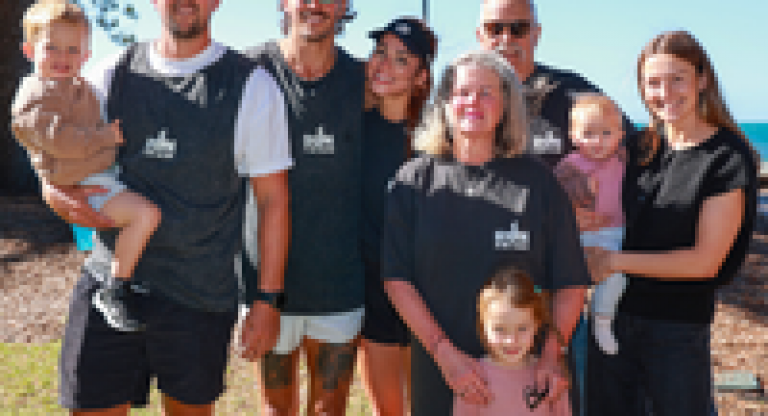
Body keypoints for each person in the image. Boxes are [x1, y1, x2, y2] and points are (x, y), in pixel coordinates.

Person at [40, 0, 293, 413]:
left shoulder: (252, 86)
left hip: (198, 297)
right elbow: (57, 144)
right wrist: (52, 190)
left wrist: (267, 300)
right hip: (110, 286)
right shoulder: (112, 73)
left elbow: (273, 199)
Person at [381, 50, 590, 416]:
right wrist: (444, 353)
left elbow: (570, 281)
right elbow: (397, 279)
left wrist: (551, 357)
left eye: (486, 92)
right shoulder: (413, 182)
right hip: (443, 370)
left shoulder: (538, 182)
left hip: (527, 374)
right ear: (445, 103)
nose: (473, 102)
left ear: (506, 105)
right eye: (462, 92)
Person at [585, 30, 759, 416]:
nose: (665, 92)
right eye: (653, 82)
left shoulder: (726, 158)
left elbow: (704, 262)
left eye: (677, 78)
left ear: (702, 80)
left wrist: (613, 262)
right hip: (610, 319)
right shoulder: (639, 147)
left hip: (675, 330)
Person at [475, 2, 637, 410]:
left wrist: (599, 207)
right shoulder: (469, 96)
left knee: (561, 387)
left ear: (537, 33)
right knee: (493, 392)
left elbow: (635, 149)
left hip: (560, 276)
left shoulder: (571, 94)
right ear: (480, 34)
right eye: (495, 28)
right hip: (486, 275)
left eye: (518, 28)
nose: (506, 39)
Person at [242, 1, 365, 414]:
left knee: (329, 410)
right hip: (266, 288)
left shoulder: (363, 81)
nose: (315, 4)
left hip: (341, 285)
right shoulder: (248, 71)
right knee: (276, 411)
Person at [12, 0, 161, 333]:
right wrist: (104, 137)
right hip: (86, 180)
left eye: (72, 49)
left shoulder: (80, 84)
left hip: (98, 173)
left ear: (86, 54)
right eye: (51, 47)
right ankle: (116, 287)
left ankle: (120, 272)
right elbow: (58, 140)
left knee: (135, 217)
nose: (62, 57)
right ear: (28, 50)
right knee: (145, 215)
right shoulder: (36, 94)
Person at [357, 17, 437, 416]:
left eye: (401, 59)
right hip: (372, 292)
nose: (384, 65)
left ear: (421, 77)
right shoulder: (352, 127)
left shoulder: (437, 141)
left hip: (428, 296)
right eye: (380, 53)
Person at [554, 93, 627, 355]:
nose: (598, 141)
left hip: (613, 233)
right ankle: (563, 332)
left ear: (619, 135)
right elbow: (555, 199)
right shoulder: (568, 165)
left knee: (616, 278)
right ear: (574, 137)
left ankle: (602, 322)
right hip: (578, 235)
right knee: (571, 284)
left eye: (606, 133)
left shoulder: (621, 161)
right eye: (589, 133)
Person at [453, 266, 572, 416]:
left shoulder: (550, 378)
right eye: (500, 329)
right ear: (483, 327)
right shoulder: (473, 379)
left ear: (536, 325)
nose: (511, 340)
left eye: (522, 328)